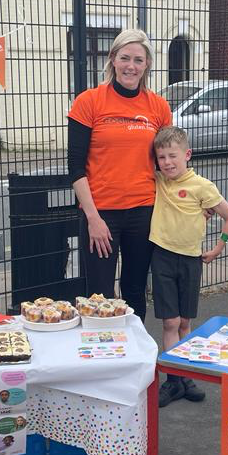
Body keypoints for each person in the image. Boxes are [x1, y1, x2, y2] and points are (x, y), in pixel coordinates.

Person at [68, 29, 173, 320]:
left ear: (147, 64)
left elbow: (169, 164)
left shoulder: (158, 107)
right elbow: (75, 167)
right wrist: (93, 218)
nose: (131, 66)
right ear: (113, 59)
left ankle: (134, 348)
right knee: (99, 296)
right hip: (101, 214)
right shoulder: (89, 101)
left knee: (135, 291)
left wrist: (194, 200)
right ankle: (102, 349)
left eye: (138, 60)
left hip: (143, 212)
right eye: (125, 58)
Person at [149, 126, 228, 407]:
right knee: (171, 322)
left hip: (190, 260)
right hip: (162, 257)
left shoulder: (202, 186)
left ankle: (185, 377)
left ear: (187, 154)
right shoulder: (158, 180)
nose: (167, 163)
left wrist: (218, 248)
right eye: (161, 157)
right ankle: (173, 380)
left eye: (172, 156)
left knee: (186, 323)